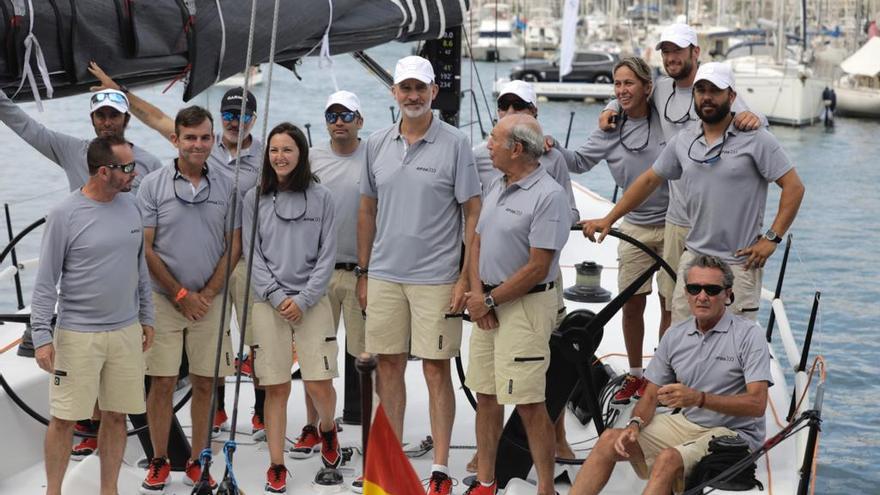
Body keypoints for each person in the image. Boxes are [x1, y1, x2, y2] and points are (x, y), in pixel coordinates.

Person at [89, 62, 267, 437]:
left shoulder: (269, 156)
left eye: (244, 114)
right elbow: (153, 116)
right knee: (170, 379)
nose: (237, 120)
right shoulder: (186, 158)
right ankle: (196, 430)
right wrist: (116, 87)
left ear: (253, 118)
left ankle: (261, 412)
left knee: (256, 342)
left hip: (243, 265)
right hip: (181, 286)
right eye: (230, 114)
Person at [582, 63, 805, 324]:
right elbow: (649, 180)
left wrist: (771, 238)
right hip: (693, 258)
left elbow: (794, 187)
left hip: (738, 263)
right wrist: (609, 219)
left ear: (731, 96)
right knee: (683, 338)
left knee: (731, 350)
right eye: (701, 90)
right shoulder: (684, 139)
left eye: (715, 90)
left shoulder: (757, 139)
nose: (707, 97)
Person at [358, 55, 482, 494]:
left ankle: (441, 469)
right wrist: (364, 272)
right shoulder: (375, 142)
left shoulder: (455, 144)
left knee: (435, 369)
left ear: (433, 92)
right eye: (404, 88)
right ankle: (391, 463)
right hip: (386, 275)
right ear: (393, 92)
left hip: (437, 277)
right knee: (388, 366)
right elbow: (368, 209)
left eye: (420, 88)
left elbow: (472, 213)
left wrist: (466, 277)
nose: (412, 96)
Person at [594, 23, 764, 328]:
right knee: (674, 303)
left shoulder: (715, 90)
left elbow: (754, 123)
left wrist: (757, 117)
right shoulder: (660, 89)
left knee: (708, 306)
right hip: (677, 218)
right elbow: (628, 91)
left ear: (695, 52)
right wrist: (609, 106)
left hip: (713, 224)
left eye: (678, 51)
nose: (671, 58)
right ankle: (668, 369)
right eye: (666, 51)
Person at [570, 255, 772, 495]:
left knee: (668, 460)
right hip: (687, 423)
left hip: (735, 434)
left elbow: (757, 404)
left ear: (728, 294)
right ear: (686, 293)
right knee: (608, 440)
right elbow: (650, 396)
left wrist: (698, 399)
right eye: (694, 288)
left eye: (712, 289)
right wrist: (635, 424)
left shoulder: (749, 336)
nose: (702, 296)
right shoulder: (675, 335)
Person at [30, 135, 155, 495]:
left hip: (126, 332)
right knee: (65, 419)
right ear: (104, 171)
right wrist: (41, 337)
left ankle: (108, 490)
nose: (135, 173)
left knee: (116, 416)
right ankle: (53, 491)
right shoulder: (63, 214)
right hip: (77, 336)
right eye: (127, 167)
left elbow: (139, 269)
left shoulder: (132, 206)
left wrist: (146, 317)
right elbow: (45, 283)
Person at [470, 79, 577, 466]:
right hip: (489, 301)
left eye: (494, 140)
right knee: (486, 392)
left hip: (527, 301)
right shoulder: (499, 181)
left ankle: (546, 487)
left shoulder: (548, 189)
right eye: (505, 104)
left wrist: (487, 299)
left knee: (532, 400)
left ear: (516, 147)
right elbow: (477, 238)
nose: (487, 144)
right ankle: (486, 479)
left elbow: (538, 265)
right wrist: (477, 294)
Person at [137, 106, 240, 493]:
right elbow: (145, 248)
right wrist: (181, 294)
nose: (198, 144)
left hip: (210, 302)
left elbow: (235, 246)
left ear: (213, 140)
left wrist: (207, 294)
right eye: (190, 137)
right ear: (175, 139)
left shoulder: (229, 185)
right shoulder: (153, 186)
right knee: (161, 382)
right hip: (164, 300)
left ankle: (200, 460)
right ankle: (160, 460)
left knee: (205, 382)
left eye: (204, 137)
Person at [557, 56, 670, 405]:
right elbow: (577, 162)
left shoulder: (666, 116)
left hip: (677, 221)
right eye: (617, 84)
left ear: (647, 87)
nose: (622, 90)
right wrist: (548, 146)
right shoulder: (611, 126)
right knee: (632, 304)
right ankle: (635, 376)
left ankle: (661, 377)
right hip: (636, 223)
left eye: (629, 83)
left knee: (671, 305)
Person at [242, 122, 340, 494]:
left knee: (318, 382)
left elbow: (327, 255)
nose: (280, 157)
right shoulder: (255, 198)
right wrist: (276, 295)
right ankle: (277, 464)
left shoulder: (323, 198)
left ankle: (327, 429)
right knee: (276, 387)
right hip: (269, 303)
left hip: (311, 302)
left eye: (287, 150)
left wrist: (302, 300)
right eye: (274, 151)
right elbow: (253, 256)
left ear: (301, 154)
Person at [290, 90, 367, 461]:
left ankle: (375, 431)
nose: (339, 121)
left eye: (347, 115)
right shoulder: (312, 159)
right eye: (332, 115)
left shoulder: (375, 157)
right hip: (318, 276)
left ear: (360, 121)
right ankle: (315, 426)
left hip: (362, 273)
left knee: (368, 358)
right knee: (313, 356)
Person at [0, 87, 162, 195]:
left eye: (114, 115)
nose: (107, 123)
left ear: (126, 119)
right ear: (92, 119)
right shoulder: (72, 150)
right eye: (100, 115)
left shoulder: (150, 163)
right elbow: (28, 128)